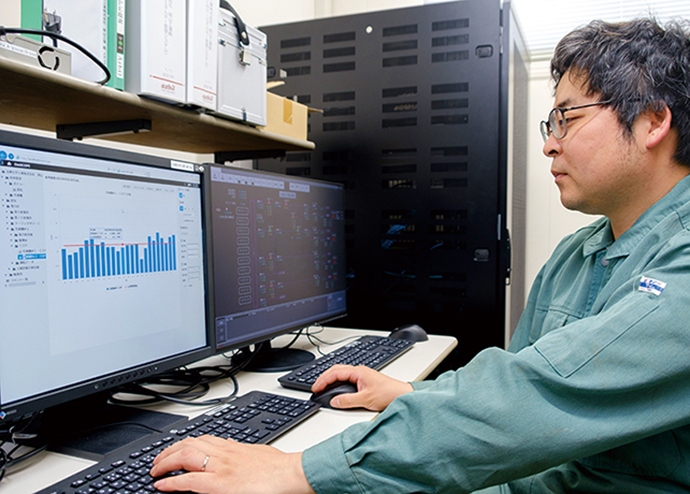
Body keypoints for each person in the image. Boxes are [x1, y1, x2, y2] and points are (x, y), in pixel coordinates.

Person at [149, 17, 690, 494]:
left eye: (566, 119)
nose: (549, 144)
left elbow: (535, 398)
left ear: (652, 122)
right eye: (550, 125)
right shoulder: (580, 252)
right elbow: (514, 377)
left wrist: (297, 472)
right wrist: (412, 391)